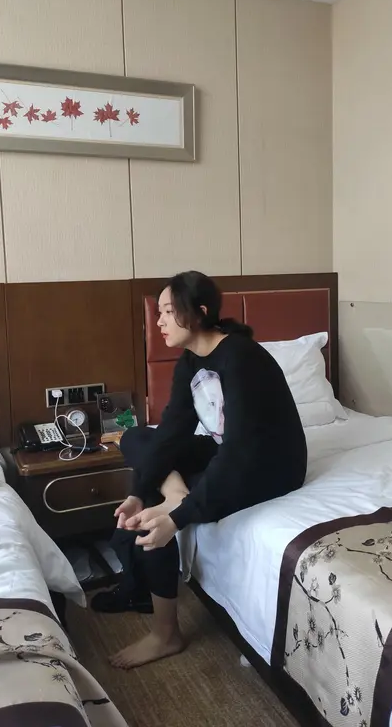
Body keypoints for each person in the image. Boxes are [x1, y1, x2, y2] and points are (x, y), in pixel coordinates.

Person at [107, 271, 307, 669]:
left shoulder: (242, 357)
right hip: (226, 451)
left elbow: (240, 453)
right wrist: (137, 493)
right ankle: (174, 491)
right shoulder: (190, 362)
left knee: (157, 515)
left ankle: (165, 635)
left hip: (269, 465)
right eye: (158, 313)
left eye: (168, 312)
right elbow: (171, 431)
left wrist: (177, 518)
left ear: (198, 313)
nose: (158, 321)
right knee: (135, 438)